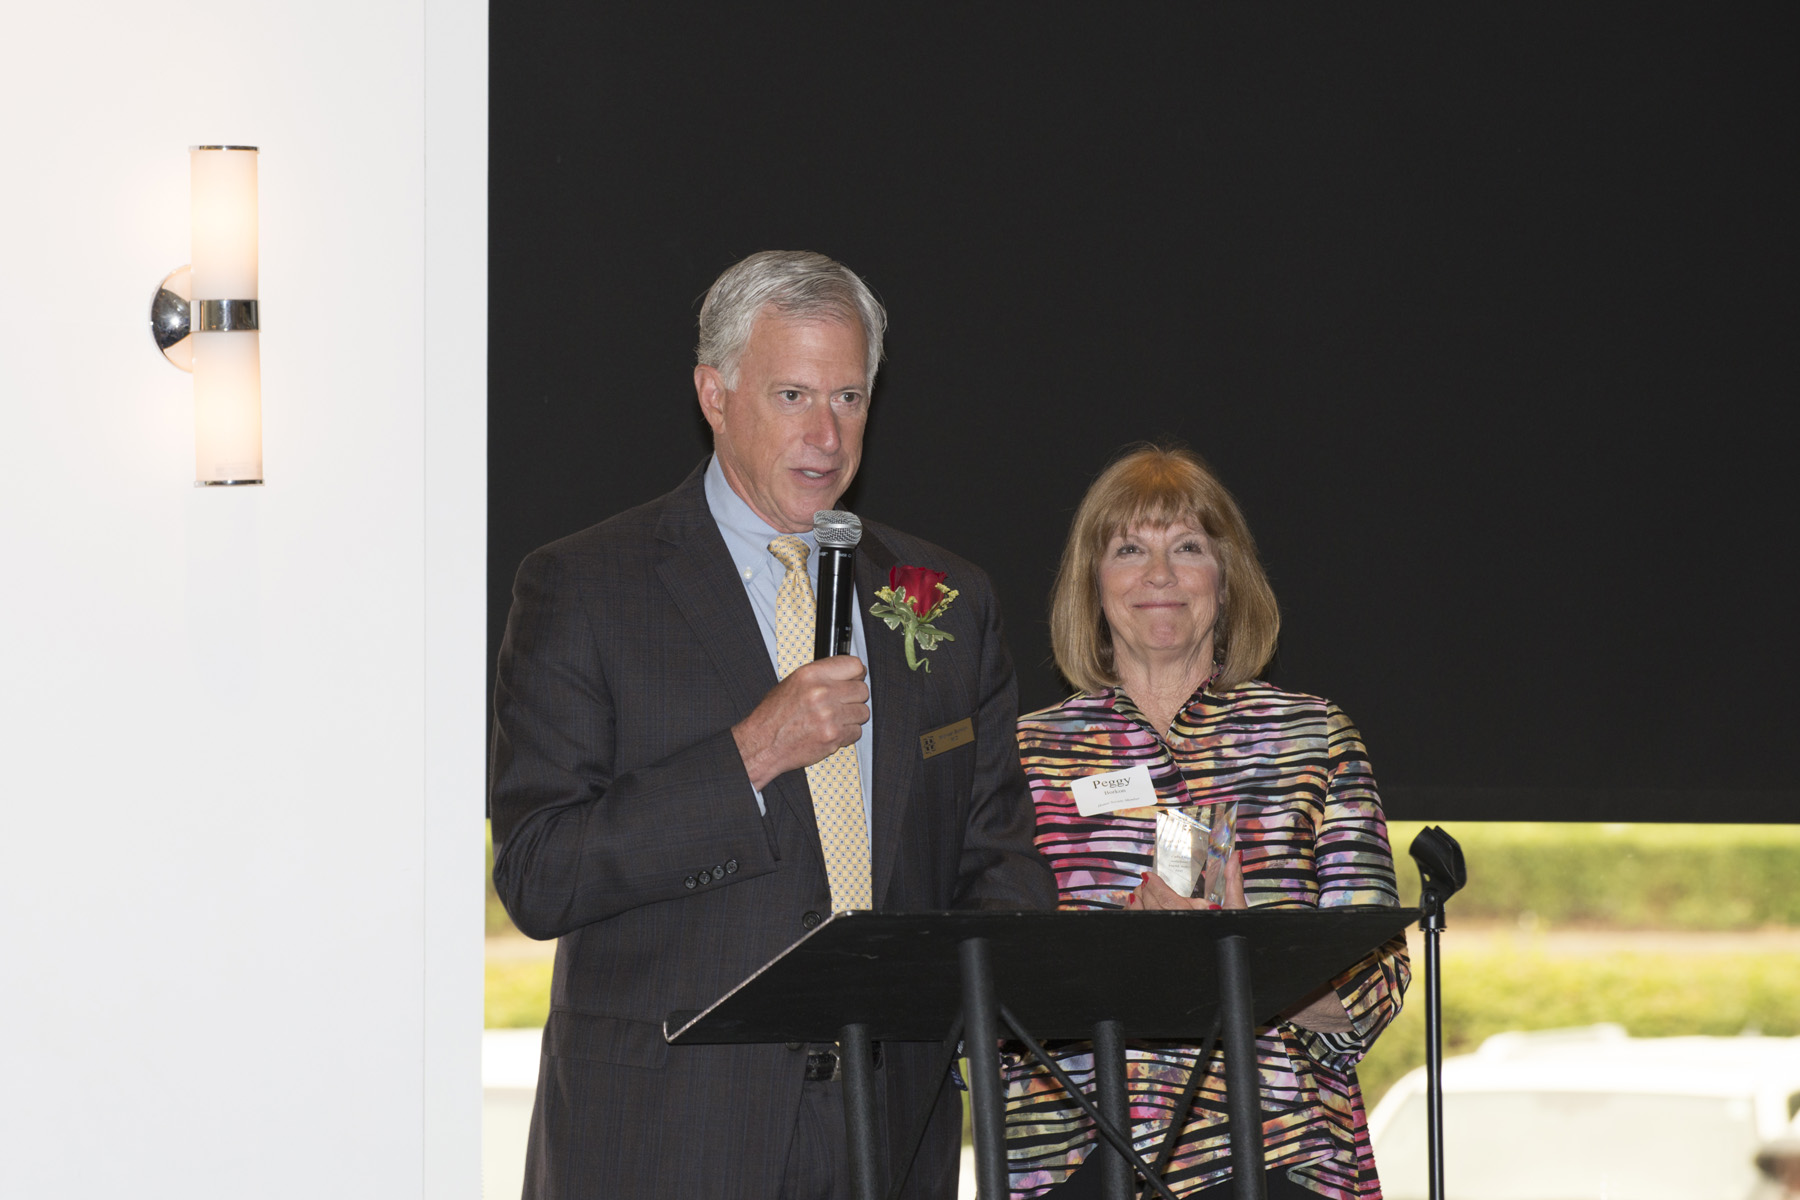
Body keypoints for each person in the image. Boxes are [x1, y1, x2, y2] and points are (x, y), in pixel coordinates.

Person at [489, 250, 1055, 1200]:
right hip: (668, 1137)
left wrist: (987, 990)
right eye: (793, 395)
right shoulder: (587, 586)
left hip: (892, 1137)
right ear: (714, 394)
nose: (827, 436)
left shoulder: (947, 601)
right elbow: (540, 873)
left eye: (849, 397)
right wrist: (752, 755)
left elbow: (996, 859)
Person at [1004, 445, 1410, 1199]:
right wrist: (1117, 951)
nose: (1159, 575)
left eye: (1187, 547)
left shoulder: (1313, 736)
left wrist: (1250, 958)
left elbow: (1377, 972)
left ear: (1225, 584)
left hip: (1280, 1148)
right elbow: (985, 984)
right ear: (1093, 584)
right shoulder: (1027, 756)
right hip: (1077, 1155)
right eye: (1129, 549)